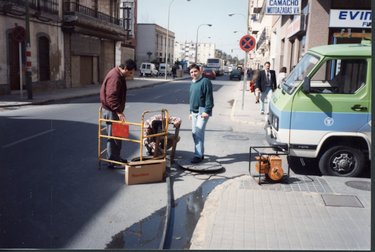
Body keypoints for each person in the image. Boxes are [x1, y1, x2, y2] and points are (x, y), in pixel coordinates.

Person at [100, 59, 136, 168]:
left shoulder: (119, 75)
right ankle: (112, 160)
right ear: (125, 68)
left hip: (114, 110)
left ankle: (116, 157)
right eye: (130, 72)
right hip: (112, 111)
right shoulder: (115, 77)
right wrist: (119, 112)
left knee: (119, 134)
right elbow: (111, 97)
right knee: (113, 136)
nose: (130, 75)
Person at [188, 64, 214, 164]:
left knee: (198, 132)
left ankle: (198, 155)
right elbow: (191, 98)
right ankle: (200, 153)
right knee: (195, 133)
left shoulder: (205, 82)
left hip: (202, 112)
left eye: (195, 71)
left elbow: (209, 97)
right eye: (191, 72)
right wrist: (190, 112)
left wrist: (206, 111)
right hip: (194, 112)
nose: (193, 74)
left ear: (200, 71)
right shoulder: (193, 82)